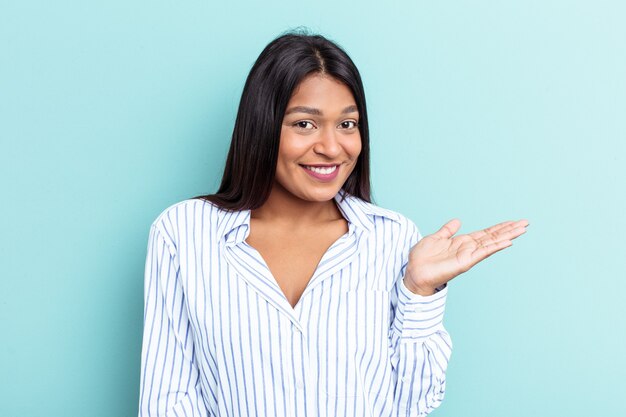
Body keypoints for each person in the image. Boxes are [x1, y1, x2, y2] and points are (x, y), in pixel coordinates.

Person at [138, 30, 528, 417]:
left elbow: (412, 405)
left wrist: (419, 290)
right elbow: (168, 400)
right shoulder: (183, 234)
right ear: (262, 126)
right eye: (304, 124)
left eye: (347, 124)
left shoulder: (392, 240)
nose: (331, 147)